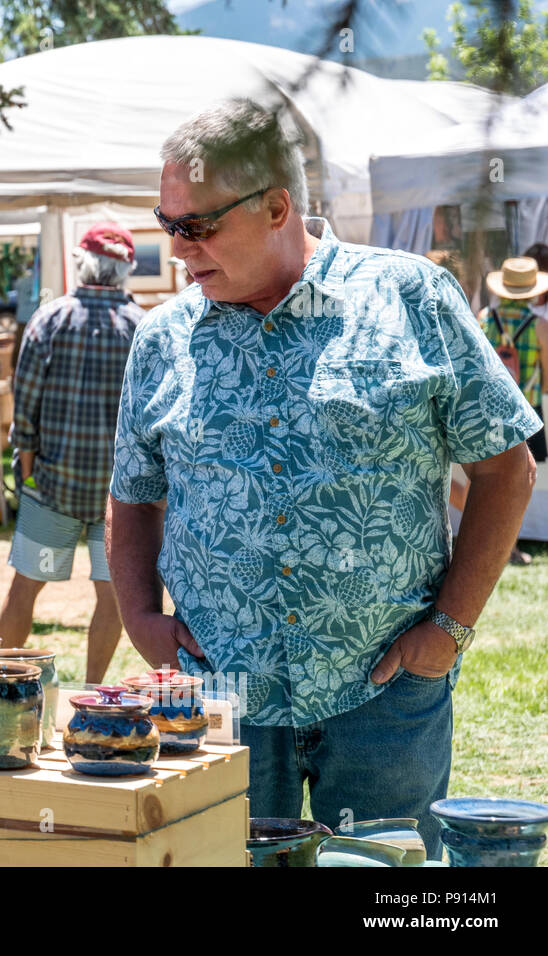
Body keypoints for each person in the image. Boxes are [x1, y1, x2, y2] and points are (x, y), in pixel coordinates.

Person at [107, 99, 539, 858]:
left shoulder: (412, 298)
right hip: (221, 697)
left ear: (277, 206)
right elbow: (133, 494)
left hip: (385, 696)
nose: (176, 249)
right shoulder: (163, 338)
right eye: (166, 222)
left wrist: (448, 630)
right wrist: (142, 618)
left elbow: (506, 469)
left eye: (195, 226)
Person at [0, 223, 143, 683]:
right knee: (112, 596)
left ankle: (4, 684)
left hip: (54, 487)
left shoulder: (50, 318)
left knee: (26, 588)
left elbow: (25, 407)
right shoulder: (143, 326)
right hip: (119, 498)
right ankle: (95, 690)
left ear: (82, 262)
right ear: (126, 270)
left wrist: (29, 474)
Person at [476, 254, 548, 564]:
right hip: (527, 413)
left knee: (491, 480)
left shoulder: (484, 317)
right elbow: (547, 379)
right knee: (523, 480)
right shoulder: (540, 325)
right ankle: (511, 547)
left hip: (491, 410)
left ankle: (497, 545)